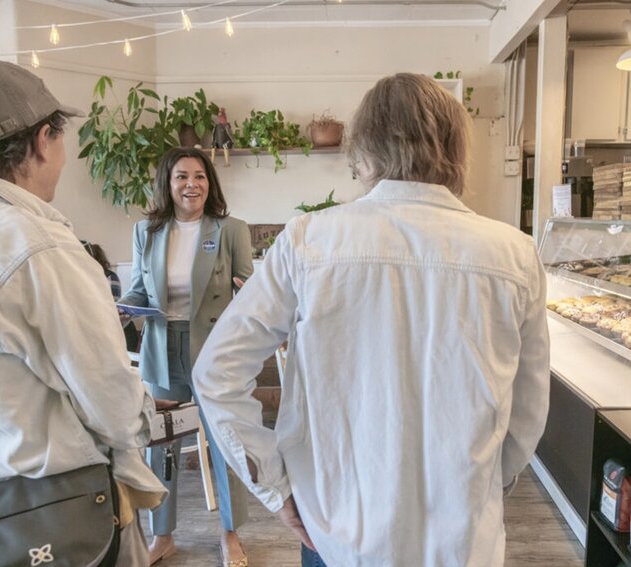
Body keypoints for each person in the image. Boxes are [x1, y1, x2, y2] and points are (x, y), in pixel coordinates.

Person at [193, 72, 551, 566]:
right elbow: (527, 414)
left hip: (338, 532)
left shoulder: (308, 241)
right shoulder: (515, 253)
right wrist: (482, 481)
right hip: (463, 539)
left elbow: (216, 372)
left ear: (364, 150)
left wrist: (277, 488)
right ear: (454, 148)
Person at [0, 58, 165, 566]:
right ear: (40, 141)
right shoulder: (35, 245)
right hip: (70, 507)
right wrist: (144, 415)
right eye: (61, 138)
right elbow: (113, 404)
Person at [118, 146, 254, 566]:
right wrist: (124, 305)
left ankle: (230, 534)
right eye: (181, 176)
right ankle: (164, 534)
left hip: (212, 347)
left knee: (223, 440)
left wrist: (248, 290)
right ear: (168, 182)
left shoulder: (230, 229)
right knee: (163, 443)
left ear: (209, 183)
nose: (191, 184)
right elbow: (141, 288)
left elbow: (248, 288)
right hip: (162, 346)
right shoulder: (148, 231)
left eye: (199, 176)